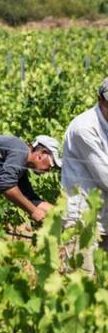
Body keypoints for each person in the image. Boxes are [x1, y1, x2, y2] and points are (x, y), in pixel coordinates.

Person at [61, 77, 108, 266]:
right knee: (83, 284)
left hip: (104, 218)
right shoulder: (85, 128)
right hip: (83, 219)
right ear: (101, 100)